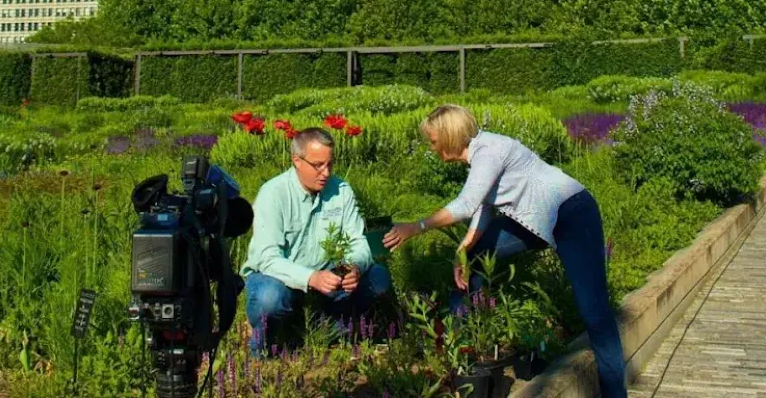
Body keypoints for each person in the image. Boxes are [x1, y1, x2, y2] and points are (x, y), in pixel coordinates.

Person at [382, 104, 627, 398]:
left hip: (573, 215)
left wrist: (416, 226)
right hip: (539, 219)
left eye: (433, 141)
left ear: (449, 136)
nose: (431, 147)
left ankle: (615, 394)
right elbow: (486, 204)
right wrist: (465, 247)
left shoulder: (489, 152)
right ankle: (460, 345)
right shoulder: (481, 154)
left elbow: (465, 205)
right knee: (473, 257)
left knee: (595, 314)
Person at [239, 127, 391, 356]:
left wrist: (354, 266)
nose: (326, 172)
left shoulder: (341, 190)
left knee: (378, 278)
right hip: (279, 278)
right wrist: (310, 278)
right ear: (297, 161)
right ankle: (262, 346)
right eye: (318, 165)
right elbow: (268, 259)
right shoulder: (273, 194)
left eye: (330, 164)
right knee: (269, 298)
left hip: (328, 274)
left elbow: (358, 242)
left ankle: (321, 330)